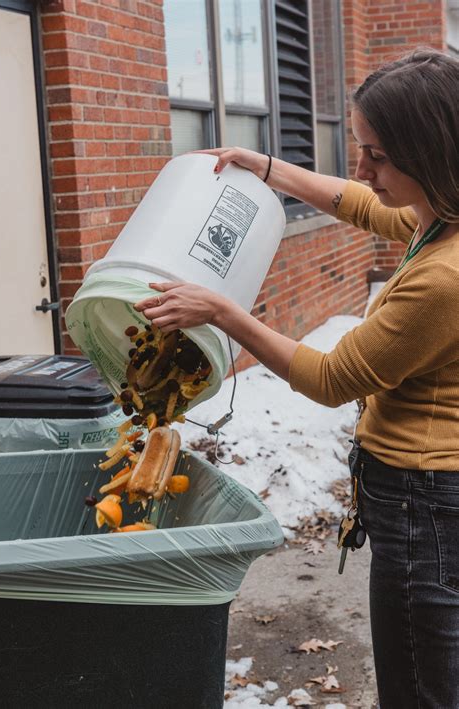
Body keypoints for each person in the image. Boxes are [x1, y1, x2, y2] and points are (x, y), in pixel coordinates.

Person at [135, 49, 459, 708]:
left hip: (424, 505)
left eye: (378, 155)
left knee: (423, 683)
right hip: (421, 497)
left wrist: (221, 311)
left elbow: (333, 375)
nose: (362, 168)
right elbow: (357, 203)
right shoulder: (437, 218)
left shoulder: (444, 275)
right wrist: (267, 167)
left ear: (428, 155)